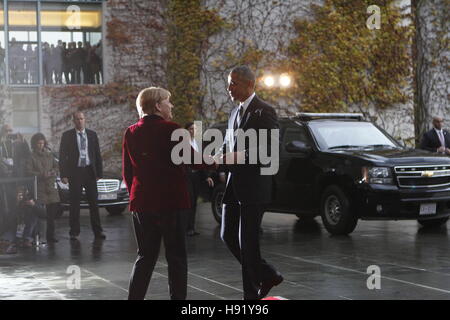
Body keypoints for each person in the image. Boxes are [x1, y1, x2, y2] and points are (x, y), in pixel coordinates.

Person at [123, 87, 215, 300]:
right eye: (168, 101)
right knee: (176, 258)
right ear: (157, 105)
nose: (171, 105)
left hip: (142, 203)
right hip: (171, 203)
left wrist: (137, 196)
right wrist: (221, 161)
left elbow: (128, 172)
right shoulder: (173, 129)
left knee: (145, 257)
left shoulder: (131, 132)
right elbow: (195, 161)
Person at [219, 65, 283, 300]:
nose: (229, 88)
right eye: (229, 83)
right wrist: (217, 159)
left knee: (247, 242)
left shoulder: (265, 111)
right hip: (234, 185)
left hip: (255, 186)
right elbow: (228, 145)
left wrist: (239, 156)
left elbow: (269, 148)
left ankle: (251, 296)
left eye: (234, 83)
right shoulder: (234, 113)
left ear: (249, 85)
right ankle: (266, 274)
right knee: (227, 235)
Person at [59, 111, 106, 241]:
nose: (80, 121)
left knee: (94, 203)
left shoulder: (92, 134)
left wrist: (99, 173)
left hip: (89, 172)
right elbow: (62, 156)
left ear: (85, 120)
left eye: (82, 119)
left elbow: (97, 154)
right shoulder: (67, 136)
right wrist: (63, 174)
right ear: (73, 121)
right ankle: (74, 231)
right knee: (74, 204)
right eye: (77, 119)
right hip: (75, 173)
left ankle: (98, 231)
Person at [26, 133, 60, 244]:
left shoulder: (49, 155)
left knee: (51, 214)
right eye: (39, 143)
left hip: (50, 187)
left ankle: (51, 236)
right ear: (34, 144)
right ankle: (36, 236)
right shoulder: (31, 156)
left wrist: (54, 171)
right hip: (39, 188)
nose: (41, 145)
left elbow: (56, 165)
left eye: (42, 143)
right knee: (39, 213)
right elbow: (28, 171)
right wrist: (41, 175)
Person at [184, 122, 214, 236]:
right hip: (187, 175)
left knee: (194, 201)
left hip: (196, 175)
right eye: (190, 129)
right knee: (189, 200)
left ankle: (191, 227)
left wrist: (207, 177)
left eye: (194, 129)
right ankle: (186, 228)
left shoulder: (198, 144)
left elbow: (200, 161)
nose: (193, 131)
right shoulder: (184, 143)